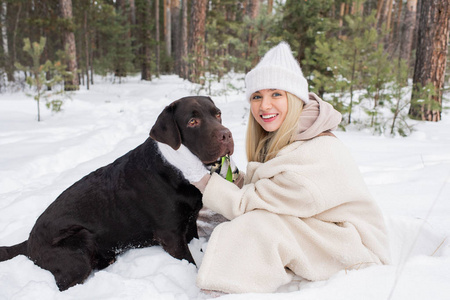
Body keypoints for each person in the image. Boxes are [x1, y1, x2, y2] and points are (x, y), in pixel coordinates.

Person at [192, 42, 390, 294]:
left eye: (276, 94)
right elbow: (267, 190)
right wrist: (231, 177)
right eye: (257, 96)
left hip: (358, 252)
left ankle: (226, 291)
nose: (264, 106)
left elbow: (250, 204)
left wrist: (203, 181)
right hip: (329, 233)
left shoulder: (315, 152)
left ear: (295, 98)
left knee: (257, 226)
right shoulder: (290, 137)